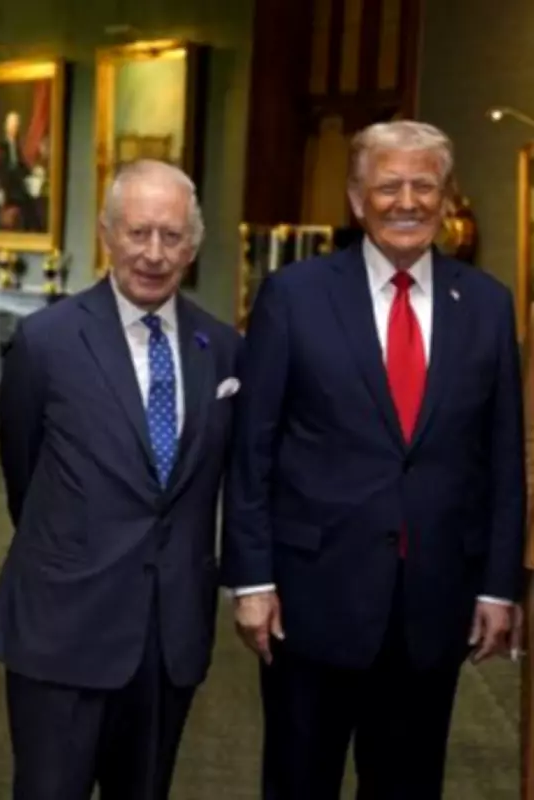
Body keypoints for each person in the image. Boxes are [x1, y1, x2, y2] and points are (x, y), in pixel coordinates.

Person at [222, 120, 525, 798]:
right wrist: (251, 580)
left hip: (434, 603)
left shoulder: (485, 304)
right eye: (389, 187)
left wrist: (497, 587)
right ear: (358, 200)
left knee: (408, 785)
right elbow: (252, 450)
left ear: (446, 197)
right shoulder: (293, 296)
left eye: (425, 186)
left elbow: (502, 457)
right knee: (300, 782)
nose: (407, 202)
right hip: (309, 600)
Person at [0, 159, 241, 800]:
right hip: (63, 628)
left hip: (168, 636)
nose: (154, 253)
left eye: (171, 236)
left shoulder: (223, 348)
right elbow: (24, 473)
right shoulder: (45, 342)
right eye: (138, 232)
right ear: (106, 234)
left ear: (193, 245)